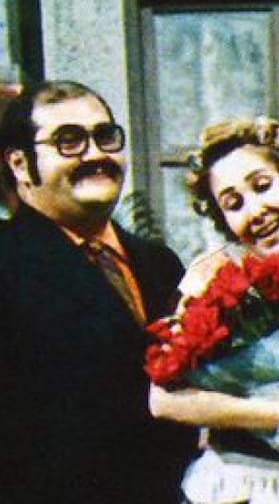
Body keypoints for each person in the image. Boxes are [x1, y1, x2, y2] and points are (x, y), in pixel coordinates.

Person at [0, 81, 194, 503]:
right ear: (20, 164)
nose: (94, 155)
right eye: (68, 141)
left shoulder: (160, 264)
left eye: (105, 136)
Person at [147, 117, 279, 504]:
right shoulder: (210, 280)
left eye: (262, 186)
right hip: (244, 483)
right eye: (234, 204)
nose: (256, 211)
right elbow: (162, 400)